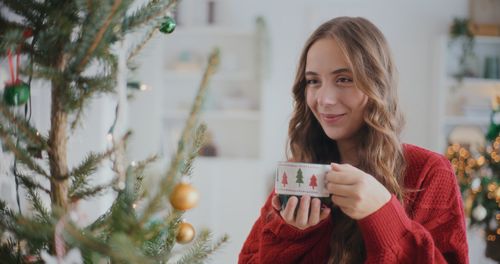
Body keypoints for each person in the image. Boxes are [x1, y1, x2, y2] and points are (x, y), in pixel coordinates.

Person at [239, 17, 468, 263]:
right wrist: (293, 236)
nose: (324, 99)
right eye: (313, 81)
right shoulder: (300, 175)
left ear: (377, 85)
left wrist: (383, 213)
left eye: (344, 79)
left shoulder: (429, 172)